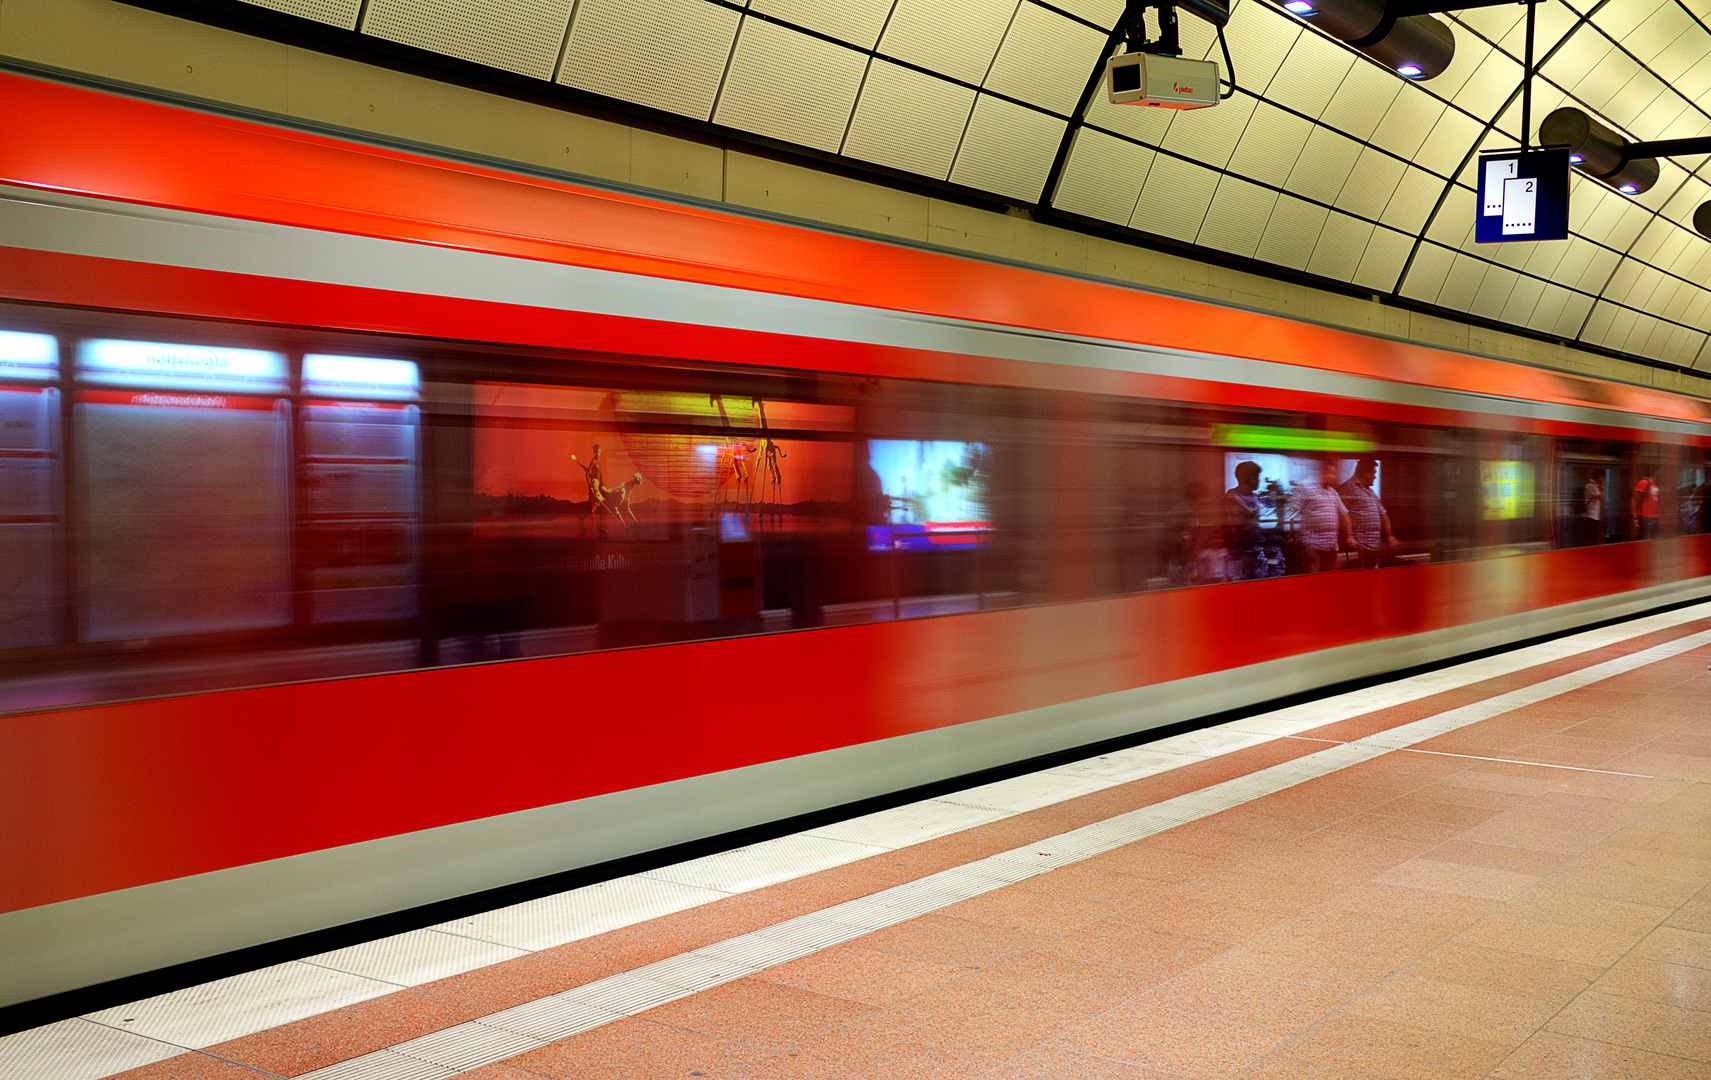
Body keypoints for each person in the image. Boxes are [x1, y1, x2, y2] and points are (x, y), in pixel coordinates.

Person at [1294, 460, 1352, 573]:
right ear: (1324, 473)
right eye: (1333, 474)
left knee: (1328, 579)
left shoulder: (1333, 493)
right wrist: (1291, 536)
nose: (1335, 477)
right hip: (1312, 545)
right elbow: (1293, 511)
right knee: (1314, 580)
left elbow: (1345, 514)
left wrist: (1350, 536)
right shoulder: (1306, 487)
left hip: (1330, 546)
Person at [1337, 457, 1393, 568]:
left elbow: (1383, 514)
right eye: (1373, 473)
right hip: (1359, 546)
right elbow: (1340, 514)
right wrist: (1349, 537)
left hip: (1374, 546)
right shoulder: (1348, 487)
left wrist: (1390, 536)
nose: (1375, 477)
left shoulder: (1370, 492)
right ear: (1366, 473)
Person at [1225, 461, 1264, 581]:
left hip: (1255, 553)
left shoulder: (1255, 498)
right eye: (1257, 477)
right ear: (1252, 479)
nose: (1259, 481)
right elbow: (1232, 529)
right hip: (1238, 556)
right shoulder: (1231, 498)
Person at [1631, 469, 1660, 540]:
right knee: (1646, 540)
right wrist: (1635, 517)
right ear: (1656, 472)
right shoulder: (1643, 482)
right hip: (1645, 516)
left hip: (1654, 517)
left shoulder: (1654, 484)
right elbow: (1634, 499)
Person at [1581, 472, 1603, 546]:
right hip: (1590, 516)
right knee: (1591, 540)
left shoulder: (1594, 486)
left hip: (1594, 516)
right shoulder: (1590, 486)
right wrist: (1604, 487)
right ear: (1600, 478)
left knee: (1593, 539)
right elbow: (1601, 497)